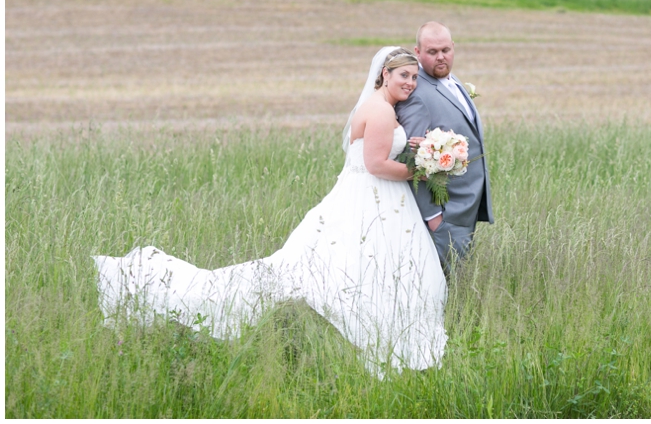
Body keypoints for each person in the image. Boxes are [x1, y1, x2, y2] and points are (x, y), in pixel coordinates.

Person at [92, 47, 447, 377]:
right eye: (404, 76)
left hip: (366, 196)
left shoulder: (374, 106)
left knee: (360, 263)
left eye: (414, 78)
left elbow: (375, 149)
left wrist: (414, 147)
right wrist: (419, 170)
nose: (410, 83)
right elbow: (376, 165)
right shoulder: (383, 110)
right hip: (374, 194)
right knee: (352, 265)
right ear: (385, 73)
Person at [395, 22, 494, 273]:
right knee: (445, 288)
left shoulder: (453, 80)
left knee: (459, 284)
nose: (441, 57)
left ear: (453, 48)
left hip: (466, 208)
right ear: (417, 53)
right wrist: (433, 218)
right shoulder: (416, 94)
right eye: (432, 52)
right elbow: (411, 159)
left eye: (445, 50)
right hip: (445, 213)